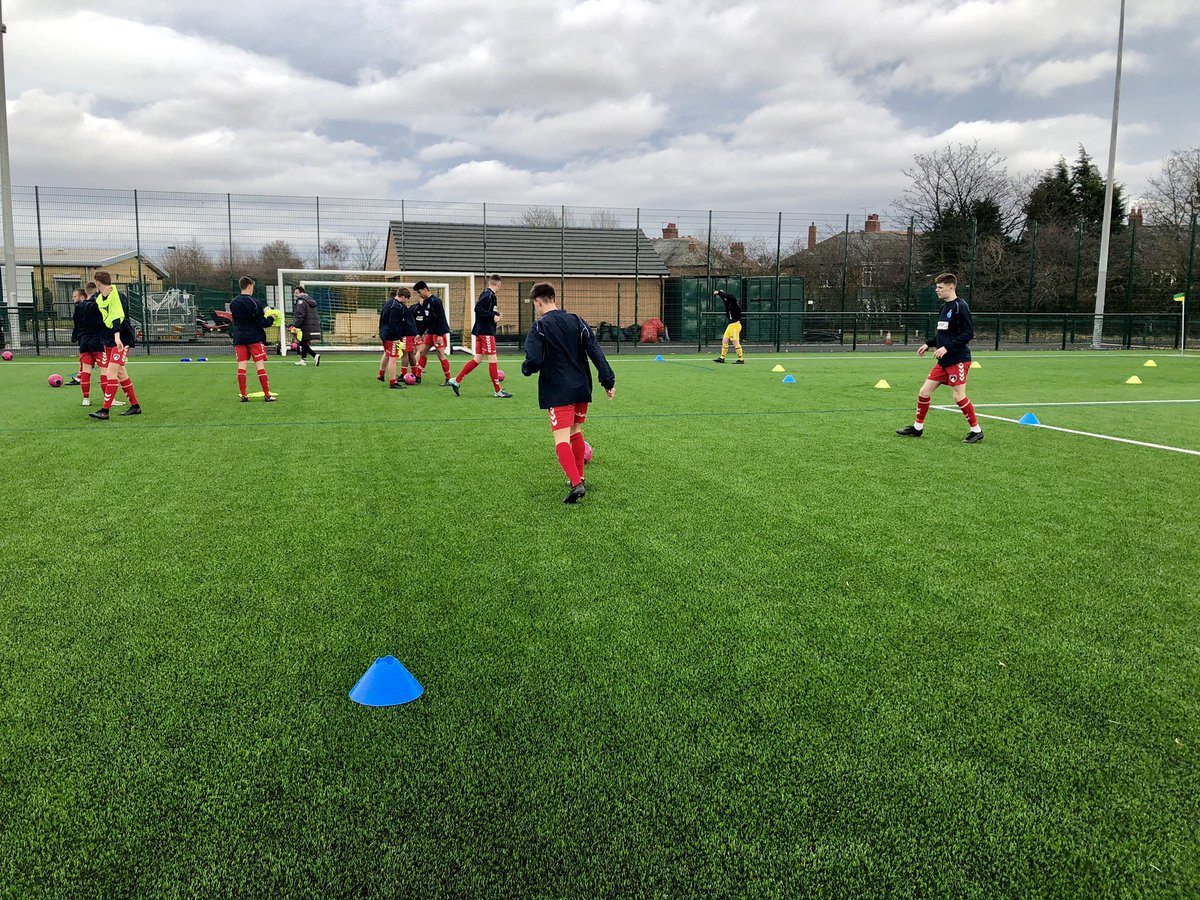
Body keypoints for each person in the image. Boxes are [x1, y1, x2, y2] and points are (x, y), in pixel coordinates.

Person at [521, 282, 615, 503]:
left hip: (558, 390)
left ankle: (576, 483)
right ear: (554, 298)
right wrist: (608, 380)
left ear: (538, 301)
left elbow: (533, 360)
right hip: (581, 387)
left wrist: (527, 368)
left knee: (561, 439)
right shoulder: (577, 321)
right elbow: (595, 351)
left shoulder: (539, 327)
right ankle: (579, 475)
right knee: (576, 431)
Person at [896, 273, 983, 443]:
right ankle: (917, 428)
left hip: (958, 359)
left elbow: (968, 333)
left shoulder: (960, 306)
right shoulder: (944, 307)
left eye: (940, 287)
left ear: (951, 287)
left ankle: (976, 430)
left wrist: (947, 347)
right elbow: (943, 334)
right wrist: (929, 344)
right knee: (924, 392)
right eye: (937, 287)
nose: (937, 290)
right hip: (943, 362)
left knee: (958, 396)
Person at [87, 271, 141, 420]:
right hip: (108, 339)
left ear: (98, 283)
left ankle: (105, 411)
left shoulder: (119, 297)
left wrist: (117, 336)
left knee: (111, 373)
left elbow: (118, 317)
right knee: (121, 373)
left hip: (121, 339)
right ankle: (135, 406)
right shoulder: (99, 298)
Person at [450, 274, 512, 398]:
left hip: (481, 331)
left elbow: (485, 310)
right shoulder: (488, 294)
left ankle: (456, 380)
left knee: (478, 359)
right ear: (498, 285)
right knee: (493, 359)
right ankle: (498, 391)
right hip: (486, 332)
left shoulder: (489, 295)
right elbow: (478, 308)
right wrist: (492, 316)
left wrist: (496, 314)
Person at [231, 275, 276, 402]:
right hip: (254, 338)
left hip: (240, 338)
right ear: (250, 287)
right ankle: (267, 395)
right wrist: (271, 317)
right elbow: (262, 323)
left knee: (241, 367)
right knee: (260, 366)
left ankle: (244, 395)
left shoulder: (234, 302)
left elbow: (235, 320)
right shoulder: (255, 302)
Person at [413, 281, 454, 385]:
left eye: (419, 292)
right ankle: (418, 376)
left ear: (425, 289)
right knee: (422, 352)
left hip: (438, 333)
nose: (419, 294)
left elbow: (441, 318)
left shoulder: (436, 301)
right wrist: (420, 333)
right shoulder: (426, 302)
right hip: (430, 333)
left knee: (440, 355)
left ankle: (448, 379)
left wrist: (440, 334)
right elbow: (426, 320)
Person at [377, 287, 407, 389]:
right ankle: (393, 382)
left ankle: (381, 374)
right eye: (406, 298)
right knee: (393, 358)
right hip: (391, 336)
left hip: (384, 334)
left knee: (386, 354)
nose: (406, 301)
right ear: (402, 297)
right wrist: (396, 337)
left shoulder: (388, 303)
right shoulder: (396, 307)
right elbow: (393, 323)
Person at [712, 289, 745, 364]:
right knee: (725, 340)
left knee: (735, 341)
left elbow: (727, 297)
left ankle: (741, 359)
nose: (726, 300)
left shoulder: (735, 305)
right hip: (730, 326)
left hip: (735, 325)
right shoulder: (729, 303)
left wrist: (720, 292)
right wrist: (720, 293)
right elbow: (724, 298)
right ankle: (722, 358)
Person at [292, 287, 321, 366]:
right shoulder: (310, 300)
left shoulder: (301, 301)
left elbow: (300, 315)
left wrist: (295, 326)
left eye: (297, 293)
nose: (295, 295)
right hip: (312, 325)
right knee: (304, 342)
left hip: (305, 325)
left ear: (301, 293)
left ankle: (315, 355)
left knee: (302, 343)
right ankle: (303, 360)